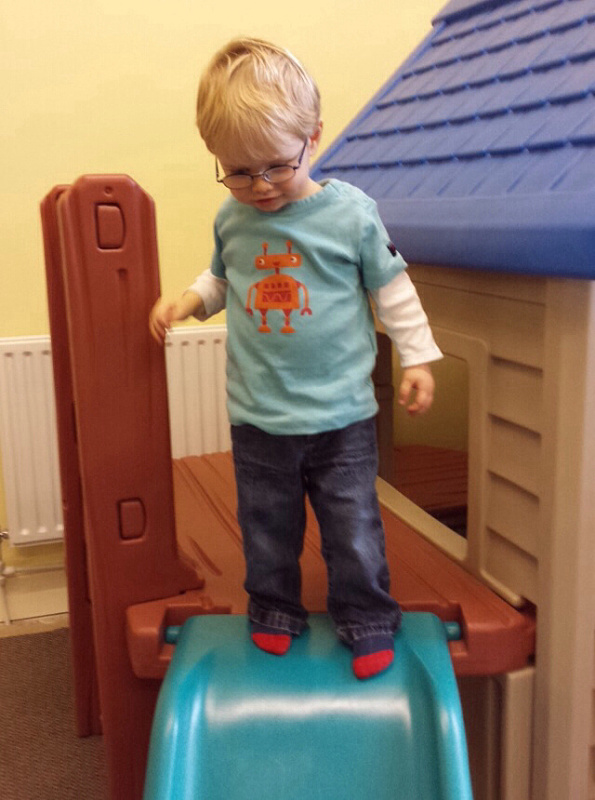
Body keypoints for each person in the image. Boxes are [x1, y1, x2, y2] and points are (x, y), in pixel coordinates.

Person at [149, 37, 442, 679]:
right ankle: (275, 609)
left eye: (276, 167)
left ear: (313, 137)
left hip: (342, 417)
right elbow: (222, 278)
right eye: (238, 171)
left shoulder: (351, 215)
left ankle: (366, 616)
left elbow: (392, 289)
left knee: (352, 526)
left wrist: (417, 359)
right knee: (266, 527)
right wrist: (190, 301)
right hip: (259, 417)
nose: (259, 187)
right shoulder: (233, 219)